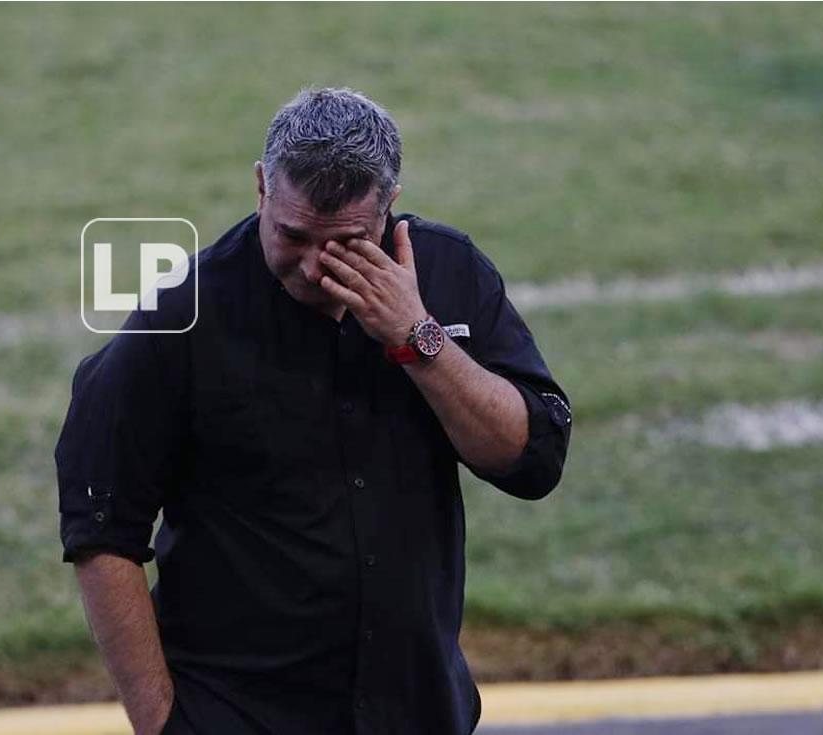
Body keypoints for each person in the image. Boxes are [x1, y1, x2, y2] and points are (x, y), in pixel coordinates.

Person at [55, 87, 572, 735]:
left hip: (415, 712)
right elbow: (99, 518)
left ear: (390, 209)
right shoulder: (184, 316)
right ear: (261, 189)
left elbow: (533, 459)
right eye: (293, 236)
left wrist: (419, 339)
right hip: (240, 714)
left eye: (347, 243)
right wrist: (161, 722)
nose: (312, 266)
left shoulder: (450, 274)